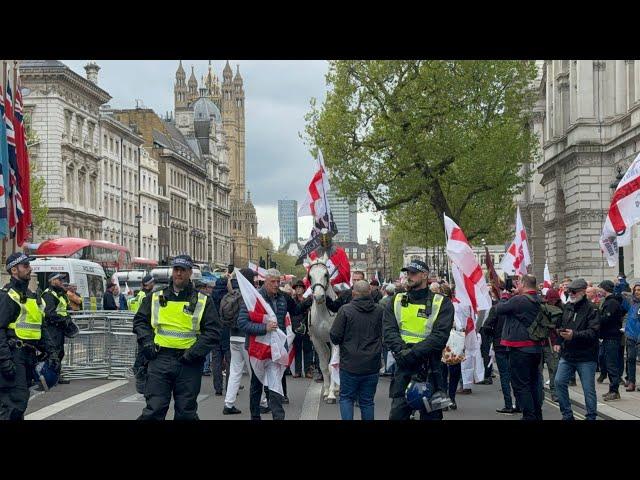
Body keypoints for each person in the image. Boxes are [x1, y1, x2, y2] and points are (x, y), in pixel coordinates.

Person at [133, 254, 222, 420]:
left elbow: (213, 332)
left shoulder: (203, 301)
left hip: (188, 362)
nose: (179, 274)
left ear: (190, 273)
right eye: (176, 269)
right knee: (154, 409)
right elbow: (140, 322)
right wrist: (147, 343)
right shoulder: (156, 297)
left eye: (183, 270)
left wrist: (193, 353)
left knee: (186, 412)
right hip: (160, 358)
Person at [382, 260, 454, 420]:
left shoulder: (442, 302)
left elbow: (440, 337)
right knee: (397, 415)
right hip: (404, 369)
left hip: (431, 369)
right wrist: (403, 352)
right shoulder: (395, 300)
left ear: (425, 275)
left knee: (433, 416)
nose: (409, 276)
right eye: (407, 273)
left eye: (413, 273)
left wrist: (411, 353)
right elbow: (389, 331)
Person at [237, 268, 312, 420]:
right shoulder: (254, 298)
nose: (276, 285)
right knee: (256, 385)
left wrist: (311, 299)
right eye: (273, 282)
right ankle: (255, 416)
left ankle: (278, 416)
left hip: (277, 349)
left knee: (275, 384)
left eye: (278, 282)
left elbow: (296, 309)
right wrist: (264, 328)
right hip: (257, 349)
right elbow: (242, 323)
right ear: (265, 281)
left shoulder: (283, 298)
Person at [0, 253, 58, 420]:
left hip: (29, 357)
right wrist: (5, 361)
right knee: (14, 404)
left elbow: (41, 327)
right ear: (14, 270)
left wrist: (52, 352)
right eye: (25, 266)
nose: (30, 269)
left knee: (20, 404)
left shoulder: (33, 296)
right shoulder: (7, 296)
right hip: (13, 356)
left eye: (29, 265)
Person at [330, 280, 383, 420]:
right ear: (370, 292)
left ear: (353, 293)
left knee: (346, 398)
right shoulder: (379, 310)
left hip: (350, 363)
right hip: (372, 363)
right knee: (367, 402)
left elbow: (335, 336)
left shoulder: (345, 310)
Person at [495, 274, 544, 420]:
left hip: (520, 348)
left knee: (521, 385)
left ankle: (529, 416)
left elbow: (499, 309)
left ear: (523, 283)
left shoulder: (519, 300)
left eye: (518, 282)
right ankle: (537, 415)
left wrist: (504, 295)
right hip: (536, 348)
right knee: (534, 383)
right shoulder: (538, 298)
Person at [553, 278, 598, 420]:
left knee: (588, 390)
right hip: (568, 355)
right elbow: (562, 325)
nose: (570, 294)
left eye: (573, 291)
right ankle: (567, 415)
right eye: (568, 291)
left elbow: (593, 332)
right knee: (559, 382)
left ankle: (591, 417)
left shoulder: (592, 309)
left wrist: (574, 335)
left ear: (583, 292)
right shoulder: (568, 307)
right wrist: (559, 340)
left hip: (586, 357)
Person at [222, 268, 254, 415]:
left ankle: (228, 404)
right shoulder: (249, 294)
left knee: (235, 372)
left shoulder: (233, 293)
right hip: (246, 337)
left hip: (232, 336)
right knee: (255, 372)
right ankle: (262, 402)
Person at [483, 291, 521, 414]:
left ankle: (508, 405)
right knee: (516, 375)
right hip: (513, 345)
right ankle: (519, 404)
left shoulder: (496, 309)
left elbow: (487, 326)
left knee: (504, 376)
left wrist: (493, 337)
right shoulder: (515, 308)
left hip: (500, 345)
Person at [42, 272, 72, 385]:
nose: (61, 281)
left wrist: (67, 319)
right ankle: (50, 376)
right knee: (54, 353)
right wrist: (64, 320)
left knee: (60, 352)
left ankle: (55, 376)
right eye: (59, 279)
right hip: (52, 328)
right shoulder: (49, 294)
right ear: (52, 281)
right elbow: (49, 313)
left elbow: (64, 309)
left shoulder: (58, 294)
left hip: (59, 328)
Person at [597, 280, 625, 401]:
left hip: (612, 337)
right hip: (607, 337)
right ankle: (612, 389)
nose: (599, 290)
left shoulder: (612, 302)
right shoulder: (608, 301)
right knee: (606, 362)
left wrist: (596, 318)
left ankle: (615, 391)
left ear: (605, 289)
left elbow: (606, 319)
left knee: (611, 364)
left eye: (600, 288)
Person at [130, 275, 156, 394]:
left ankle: (139, 369)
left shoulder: (141, 294)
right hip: (144, 326)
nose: (153, 284)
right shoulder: (145, 296)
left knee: (142, 350)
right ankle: (138, 371)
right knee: (142, 351)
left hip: (141, 326)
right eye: (152, 283)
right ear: (148, 284)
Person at [210, 276, 231, 395]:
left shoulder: (212, 297)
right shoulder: (228, 297)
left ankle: (217, 388)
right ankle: (229, 387)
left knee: (216, 361)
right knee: (229, 361)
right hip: (227, 330)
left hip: (215, 330)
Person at [541, 288, 563, 403]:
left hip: (550, 342)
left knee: (552, 369)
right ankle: (551, 393)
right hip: (546, 342)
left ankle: (552, 393)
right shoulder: (559, 310)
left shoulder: (558, 311)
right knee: (552, 369)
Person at [291, 280, 314, 378]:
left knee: (308, 349)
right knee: (297, 349)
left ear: (304, 289)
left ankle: (308, 370)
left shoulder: (309, 300)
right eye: (296, 288)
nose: (298, 289)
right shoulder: (292, 300)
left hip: (307, 327)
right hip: (296, 327)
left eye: (300, 287)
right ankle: (298, 371)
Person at [621, 282, 640, 392]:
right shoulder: (632, 303)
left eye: (639, 290)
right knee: (630, 359)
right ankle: (631, 382)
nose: (637, 292)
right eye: (636, 290)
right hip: (631, 336)